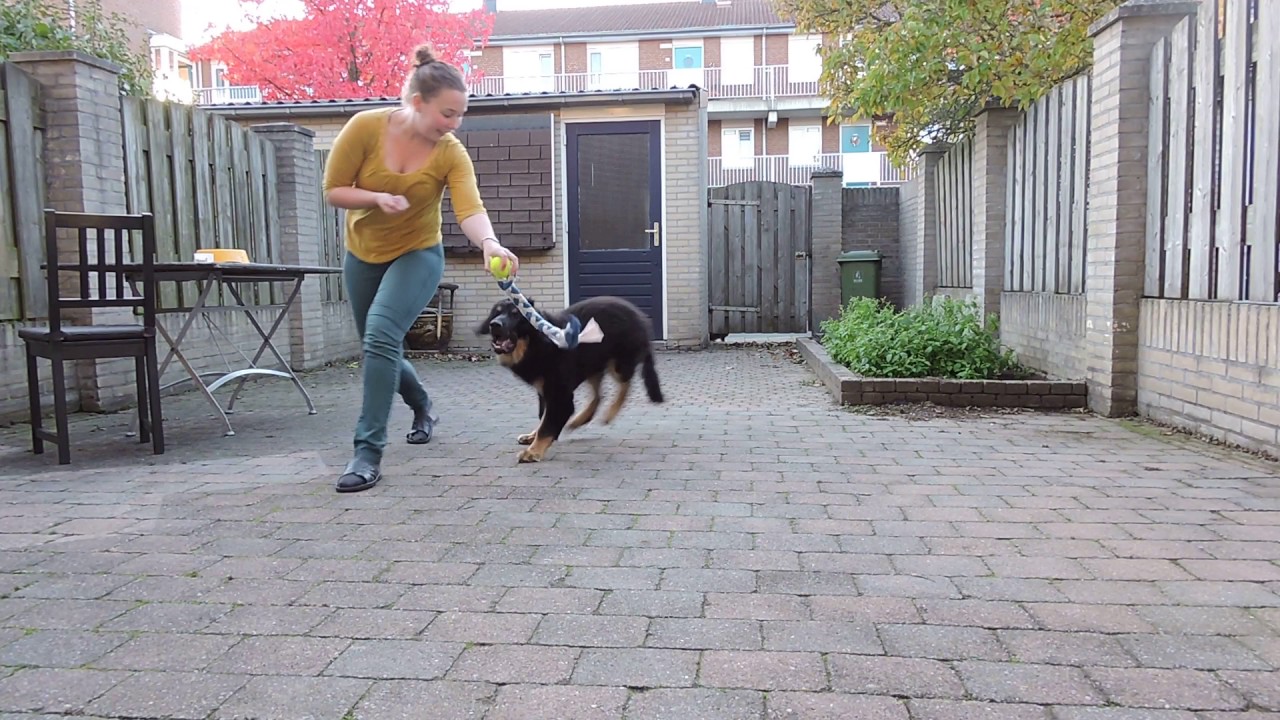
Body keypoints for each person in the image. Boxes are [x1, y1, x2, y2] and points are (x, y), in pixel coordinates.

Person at [322, 44, 520, 493]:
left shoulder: (450, 152)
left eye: (460, 116)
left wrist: (490, 241)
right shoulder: (365, 128)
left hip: (419, 252)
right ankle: (423, 404)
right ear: (417, 103)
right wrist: (375, 198)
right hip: (362, 253)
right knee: (380, 346)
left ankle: (366, 452)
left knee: (379, 336)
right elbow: (333, 189)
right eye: (447, 114)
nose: (454, 125)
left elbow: (470, 208)